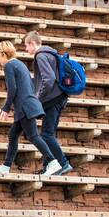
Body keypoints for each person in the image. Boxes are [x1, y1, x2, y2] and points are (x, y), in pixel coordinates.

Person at [0, 40, 66, 180]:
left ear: (3, 54)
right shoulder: (19, 64)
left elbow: (12, 89)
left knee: (33, 136)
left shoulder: (9, 65)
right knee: (13, 135)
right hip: (26, 106)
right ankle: (5, 167)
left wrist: (5, 108)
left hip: (24, 107)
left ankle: (53, 162)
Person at [25, 30, 73, 176]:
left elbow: (49, 79)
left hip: (52, 99)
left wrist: (38, 98)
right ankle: (48, 167)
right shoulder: (51, 53)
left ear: (32, 43)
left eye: (26, 46)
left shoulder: (40, 55)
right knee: (48, 133)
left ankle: (63, 163)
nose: (26, 49)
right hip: (59, 97)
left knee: (46, 134)